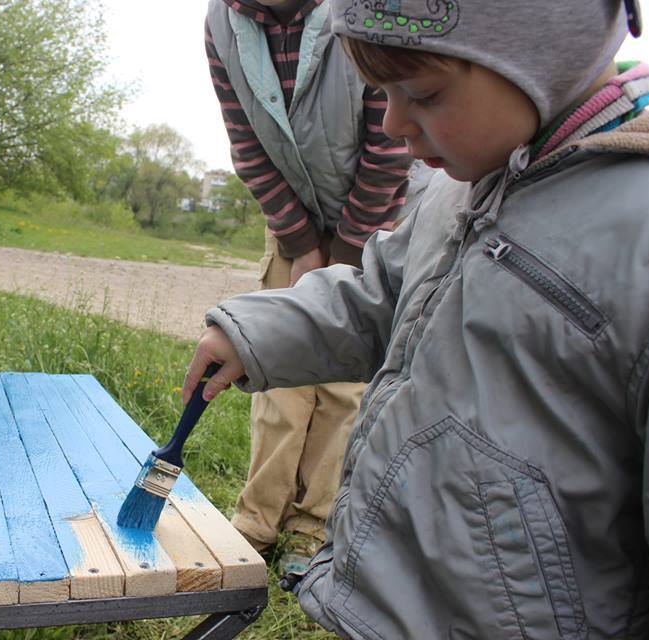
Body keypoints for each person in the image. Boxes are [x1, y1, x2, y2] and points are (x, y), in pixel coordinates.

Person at [186, 0, 649, 636]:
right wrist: (256, 333)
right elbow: (376, 295)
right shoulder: (455, 191)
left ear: (539, 57)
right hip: (392, 607)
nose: (391, 124)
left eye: (424, 94)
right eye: (381, 93)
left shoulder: (646, 244)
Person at [204, 0, 424, 572]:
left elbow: (390, 145)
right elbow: (246, 144)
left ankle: (313, 526)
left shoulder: (368, 8)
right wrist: (301, 245)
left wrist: (347, 254)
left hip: (379, 220)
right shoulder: (222, 24)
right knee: (274, 371)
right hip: (296, 225)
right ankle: (255, 520)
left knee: (345, 387)